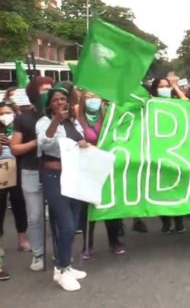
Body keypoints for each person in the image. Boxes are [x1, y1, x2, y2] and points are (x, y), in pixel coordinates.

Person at [36, 85, 88, 291]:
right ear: (49, 103)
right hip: (54, 177)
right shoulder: (44, 122)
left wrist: (83, 144)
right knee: (65, 224)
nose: (60, 102)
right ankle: (63, 268)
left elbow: (79, 141)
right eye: (55, 99)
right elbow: (44, 144)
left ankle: (63, 265)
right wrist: (56, 121)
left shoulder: (73, 122)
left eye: (63, 99)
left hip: (74, 177)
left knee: (73, 223)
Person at [10, 76, 52, 272]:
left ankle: (60, 254)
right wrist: (36, 142)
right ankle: (38, 253)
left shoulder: (57, 115)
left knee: (57, 215)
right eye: (44, 89)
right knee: (35, 217)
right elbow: (15, 148)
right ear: (34, 93)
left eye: (51, 88)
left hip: (54, 171)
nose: (48, 92)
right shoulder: (23, 118)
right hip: (30, 172)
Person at [76, 92, 125, 258]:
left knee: (110, 202)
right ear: (83, 99)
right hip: (86, 166)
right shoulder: (77, 117)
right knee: (87, 206)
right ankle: (87, 244)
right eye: (89, 97)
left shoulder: (110, 115)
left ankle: (114, 241)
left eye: (96, 96)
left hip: (107, 165)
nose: (93, 100)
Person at [149, 77, 187, 234]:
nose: (164, 89)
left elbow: (186, 102)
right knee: (159, 188)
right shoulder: (150, 103)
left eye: (166, 86)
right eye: (161, 86)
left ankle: (178, 221)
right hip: (157, 150)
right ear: (155, 89)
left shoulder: (175, 101)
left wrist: (175, 87)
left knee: (177, 186)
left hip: (175, 150)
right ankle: (165, 221)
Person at [0, 100, 29, 255]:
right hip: (1, 170)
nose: (5, 116)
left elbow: (23, 149)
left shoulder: (19, 128)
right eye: (2, 113)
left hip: (17, 167)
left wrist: (12, 144)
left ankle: (22, 238)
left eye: (7, 113)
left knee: (19, 203)